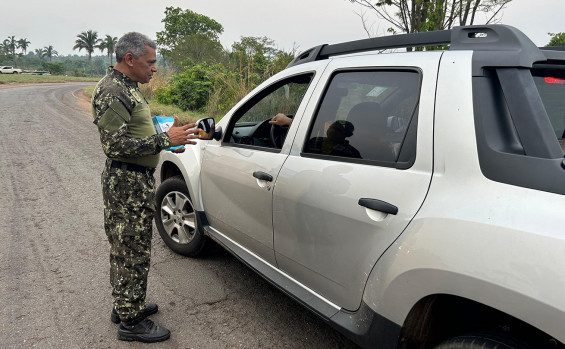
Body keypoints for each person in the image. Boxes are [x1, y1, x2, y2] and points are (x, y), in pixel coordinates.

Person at [91, 32, 201, 343]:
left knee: (129, 247)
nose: (154, 68)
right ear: (130, 59)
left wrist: (161, 128)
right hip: (125, 181)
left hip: (135, 178)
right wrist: (166, 140)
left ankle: (126, 305)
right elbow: (114, 145)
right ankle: (131, 322)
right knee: (132, 251)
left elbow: (132, 129)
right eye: (150, 62)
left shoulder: (129, 87)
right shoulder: (113, 91)